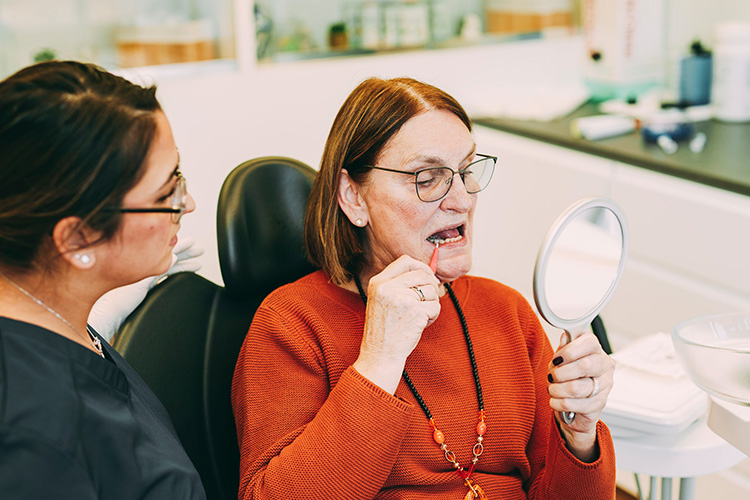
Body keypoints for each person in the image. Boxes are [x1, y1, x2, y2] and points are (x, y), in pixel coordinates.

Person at [231, 77, 617, 499]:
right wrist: (379, 360)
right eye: (428, 177)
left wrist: (580, 436)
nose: (463, 200)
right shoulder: (291, 323)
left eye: (467, 171)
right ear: (353, 197)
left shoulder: (507, 312)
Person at [0, 60, 206, 499]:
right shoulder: (29, 434)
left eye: (179, 177)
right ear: (78, 238)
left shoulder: (59, 321)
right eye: (165, 193)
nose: (188, 204)